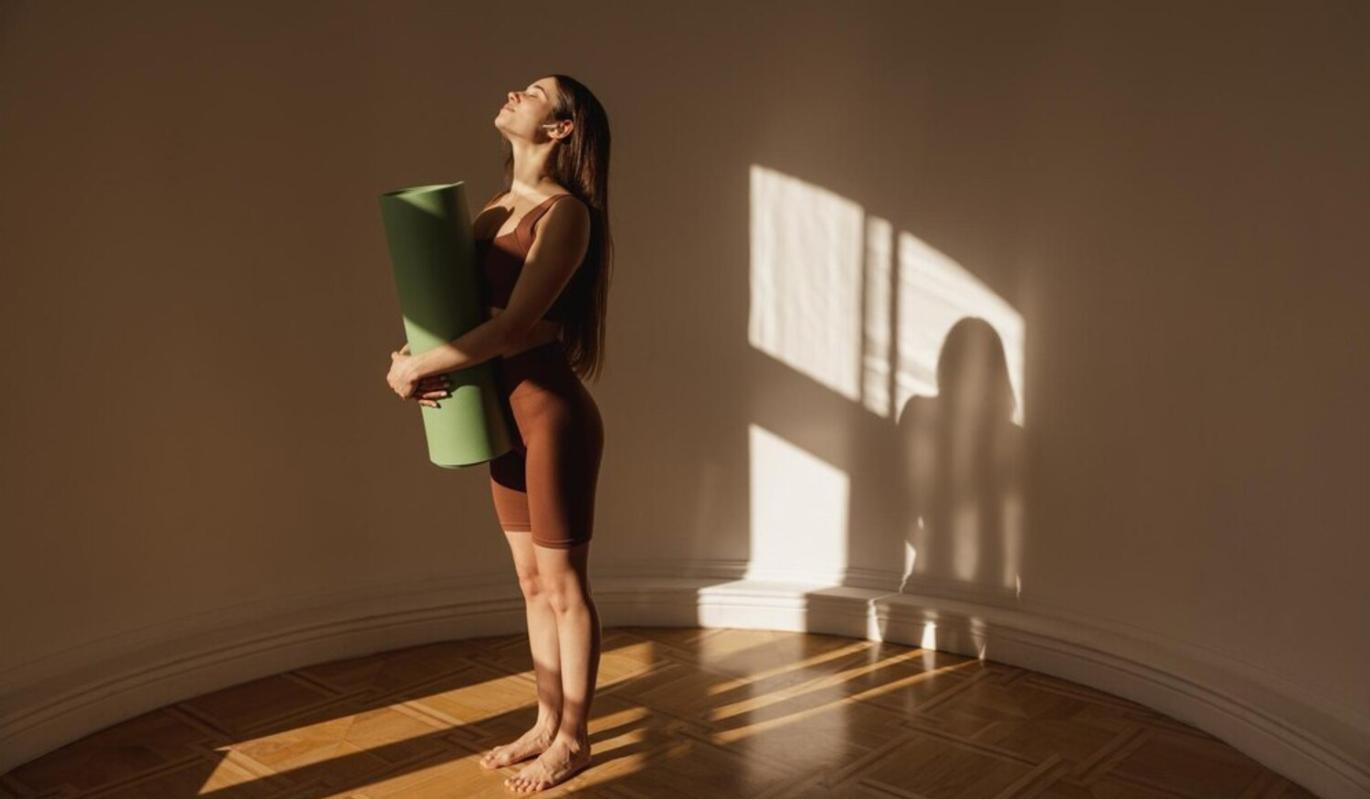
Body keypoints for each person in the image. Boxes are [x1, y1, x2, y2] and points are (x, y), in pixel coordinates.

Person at [384, 73, 613, 793]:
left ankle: (573, 738)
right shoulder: (491, 210)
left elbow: (513, 328)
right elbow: (456, 320)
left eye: (535, 92)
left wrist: (424, 363)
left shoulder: (565, 214)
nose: (516, 93)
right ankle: (545, 722)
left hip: (551, 417)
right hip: (500, 416)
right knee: (530, 582)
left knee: (564, 585)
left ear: (561, 128)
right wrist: (407, 362)